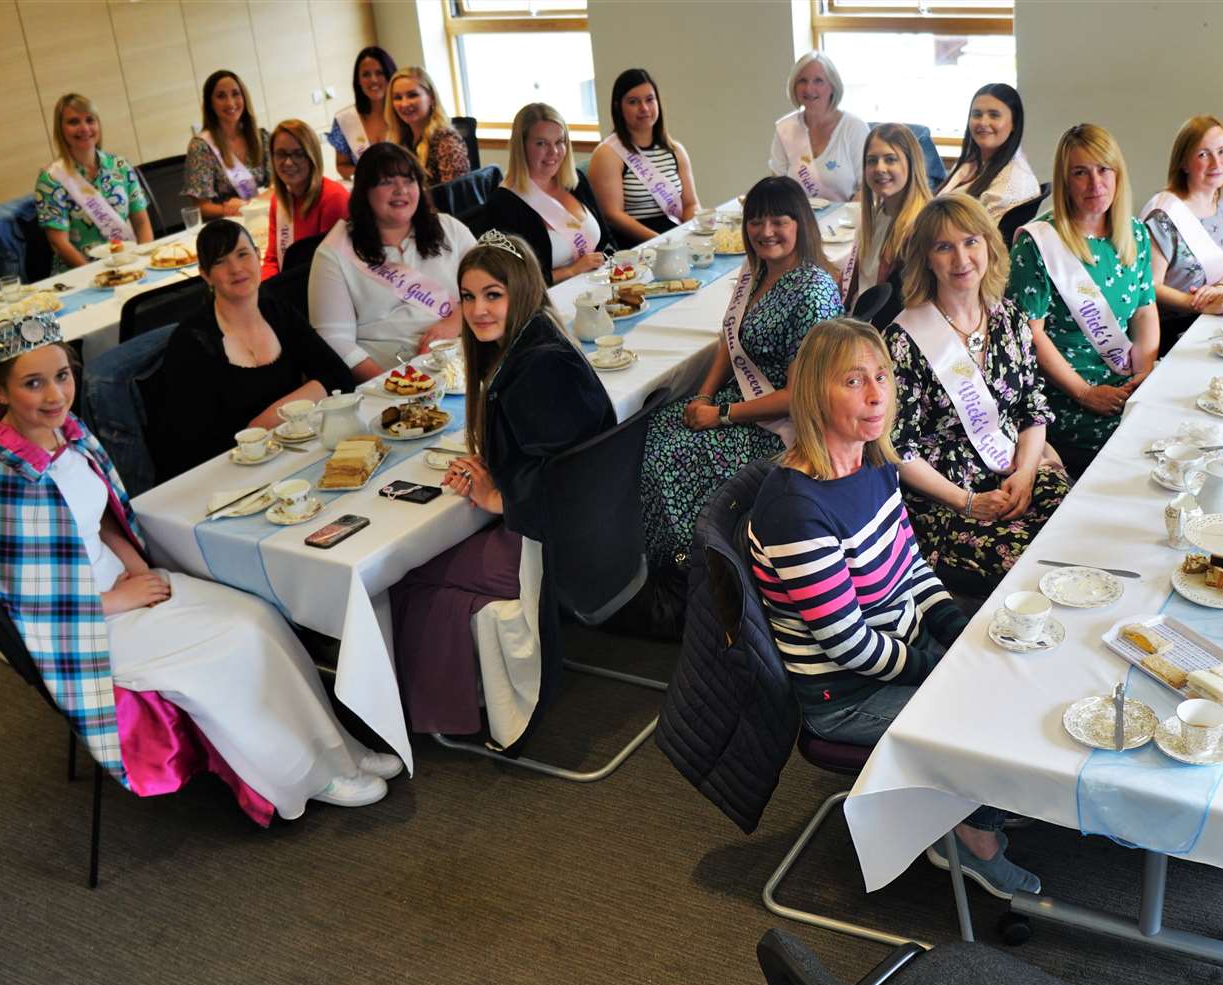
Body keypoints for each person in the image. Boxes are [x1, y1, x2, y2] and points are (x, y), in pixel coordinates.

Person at [0, 311, 400, 820]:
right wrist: (117, 598)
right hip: (85, 625)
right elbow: (22, 598)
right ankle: (306, 776)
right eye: (33, 384)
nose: (55, 394)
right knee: (231, 646)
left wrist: (132, 565)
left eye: (63, 376)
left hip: (124, 585)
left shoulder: (65, 433)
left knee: (258, 615)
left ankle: (336, 748)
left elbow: (99, 519)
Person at [748, 318, 1041, 898]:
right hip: (849, 693)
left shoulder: (872, 460)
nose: (877, 394)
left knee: (1013, 671)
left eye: (881, 376)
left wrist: (958, 631)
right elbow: (848, 646)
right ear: (813, 393)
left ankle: (971, 804)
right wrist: (941, 669)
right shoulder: (795, 509)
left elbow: (910, 565)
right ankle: (968, 841)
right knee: (991, 716)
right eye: (853, 381)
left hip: (901, 650)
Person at [390, 234, 615, 743]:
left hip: (552, 550)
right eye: (468, 297)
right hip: (592, 537)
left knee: (404, 571)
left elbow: (565, 478)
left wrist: (503, 498)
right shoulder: (539, 342)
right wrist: (497, 478)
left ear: (522, 291)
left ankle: (444, 715)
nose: (477, 310)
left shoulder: (535, 369)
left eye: (493, 295)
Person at [640, 176, 843, 568]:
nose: (766, 232)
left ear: (800, 223)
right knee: (657, 427)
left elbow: (800, 395)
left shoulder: (813, 290)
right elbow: (728, 342)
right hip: (743, 402)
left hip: (783, 426)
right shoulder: (758, 272)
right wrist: (703, 395)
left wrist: (720, 415)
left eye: (779, 221)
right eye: (756, 222)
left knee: (672, 453)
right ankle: (662, 558)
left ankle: (695, 564)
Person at [883, 195, 1067, 590]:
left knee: (1076, 529)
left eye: (971, 242)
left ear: (988, 246)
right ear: (927, 259)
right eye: (943, 247)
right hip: (945, 499)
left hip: (1012, 471)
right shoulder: (904, 340)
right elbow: (898, 450)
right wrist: (966, 502)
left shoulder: (1010, 319)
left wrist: (1027, 472)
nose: (961, 258)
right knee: (1031, 567)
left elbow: (1032, 408)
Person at [1007, 124, 1159, 475]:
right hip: (1068, 398)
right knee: (1139, 459)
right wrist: (1086, 393)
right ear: (1065, 182)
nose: (1096, 184)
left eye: (1104, 169)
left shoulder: (1134, 232)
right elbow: (1030, 335)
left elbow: (1145, 309)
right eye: (1080, 173)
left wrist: (1146, 370)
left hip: (1128, 379)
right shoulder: (1037, 243)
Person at [151, 219, 356, 479]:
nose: (236, 268)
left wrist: (265, 422)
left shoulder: (278, 312)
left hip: (294, 457)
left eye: (242, 254)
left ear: (258, 257)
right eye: (220, 261)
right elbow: (193, 447)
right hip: (231, 475)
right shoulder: (193, 342)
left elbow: (339, 377)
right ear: (205, 275)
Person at [308, 142, 475, 380]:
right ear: (365, 192)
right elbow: (334, 340)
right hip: (384, 377)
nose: (401, 190)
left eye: (409, 180)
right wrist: (395, 384)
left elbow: (490, 288)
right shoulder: (334, 253)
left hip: (459, 363)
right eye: (387, 182)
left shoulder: (449, 229)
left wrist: (454, 322)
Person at [1143, 115, 1223, 355]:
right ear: (1184, 163)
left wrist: (1222, 289)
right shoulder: (1163, 215)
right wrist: (1202, 304)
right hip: (1171, 332)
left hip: (1214, 320)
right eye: (1203, 154)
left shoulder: (1222, 199)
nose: (1217, 163)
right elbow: (1149, 286)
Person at [479, 102, 609, 286]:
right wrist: (571, 270)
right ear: (521, 146)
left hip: (599, 284)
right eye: (541, 143)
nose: (553, 152)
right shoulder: (503, 204)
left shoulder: (574, 181)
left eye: (559, 142)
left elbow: (606, 240)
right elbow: (511, 280)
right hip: (550, 301)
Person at [33, 93, 154, 273]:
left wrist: (144, 260)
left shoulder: (120, 166)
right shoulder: (51, 179)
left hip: (128, 266)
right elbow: (59, 242)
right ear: (61, 129)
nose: (84, 128)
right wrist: (96, 275)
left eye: (90, 120)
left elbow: (142, 223)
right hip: (81, 275)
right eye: (74, 122)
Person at [590, 68, 701, 244]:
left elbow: (690, 204)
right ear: (618, 107)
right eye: (633, 102)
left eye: (650, 100)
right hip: (636, 244)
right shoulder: (608, 154)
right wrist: (662, 241)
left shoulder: (675, 150)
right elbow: (612, 215)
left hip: (675, 238)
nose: (644, 108)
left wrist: (693, 231)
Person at [846, 123, 931, 309]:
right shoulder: (878, 214)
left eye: (890, 159)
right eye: (872, 160)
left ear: (911, 163)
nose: (879, 168)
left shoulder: (920, 229)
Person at [768, 51, 869, 203]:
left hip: (845, 222)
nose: (809, 89)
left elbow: (869, 188)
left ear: (833, 86)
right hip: (797, 220)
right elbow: (777, 186)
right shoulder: (785, 128)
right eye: (802, 81)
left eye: (818, 81)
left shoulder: (854, 128)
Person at [262, 119, 349, 279]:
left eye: (298, 154)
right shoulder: (279, 200)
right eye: (281, 154)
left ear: (312, 156)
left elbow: (329, 269)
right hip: (288, 288)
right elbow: (273, 259)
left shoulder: (333, 198)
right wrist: (264, 291)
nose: (288, 162)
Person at [936, 84, 1039, 217]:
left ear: (1014, 123)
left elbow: (988, 236)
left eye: (994, 115)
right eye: (977, 114)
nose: (983, 122)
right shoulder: (973, 161)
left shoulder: (1013, 183)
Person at [182, 70, 269, 221]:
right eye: (221, 96)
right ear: (210, 104)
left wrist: (249, 205)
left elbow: (279, 187)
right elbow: (201, 207)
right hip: (228, 227)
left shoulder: (261, 137)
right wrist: (231, 209)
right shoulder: (201, 146)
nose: (230, 103)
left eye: (235, 94)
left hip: (264, 217)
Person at [384, 67, 470, 187]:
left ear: (431, 98)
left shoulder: (446, 141)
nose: (404, 103)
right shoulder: (401, 139)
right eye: (398, 98)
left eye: (412, 95)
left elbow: (455, 197)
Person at [329, 46, 396, 180]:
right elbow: (342, 166)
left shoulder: (404, 113)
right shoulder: (345, 120)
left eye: (380, 73)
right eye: (366, 74)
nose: (373, 80)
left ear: (390, 75)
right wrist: (372, 174)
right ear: (358, 81)